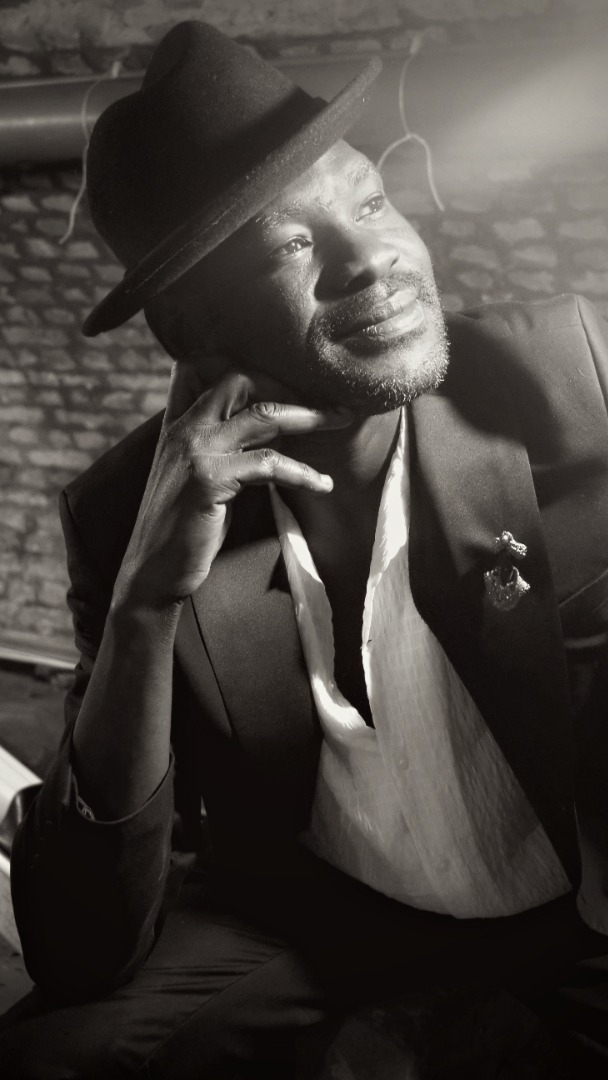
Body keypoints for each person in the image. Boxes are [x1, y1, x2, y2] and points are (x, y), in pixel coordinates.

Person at [1, 18, 608, 1080]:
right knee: (55, 1050)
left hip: (578, 925)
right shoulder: (123, 511)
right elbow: (84, 948)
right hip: (328, 926)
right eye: (290, 244)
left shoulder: (574, 378)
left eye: (369, 202)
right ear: (188, 328)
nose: (372, 257)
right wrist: (145, 605)